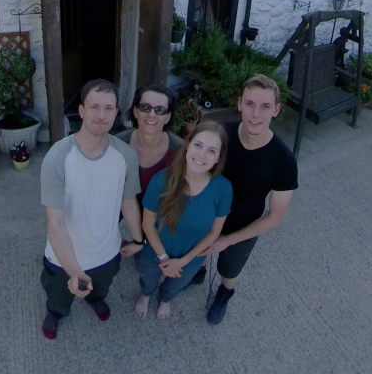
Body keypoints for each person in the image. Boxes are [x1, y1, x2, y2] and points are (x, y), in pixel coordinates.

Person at [39, 79, 145, 339]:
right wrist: (74, 271)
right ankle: (56, 313)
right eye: (95, 107)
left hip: (107, 252)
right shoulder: (58, 157)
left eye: (109, 108)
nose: (102, 114)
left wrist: (139, 240)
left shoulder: (126, 155)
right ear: (82, 111)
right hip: (63, 259)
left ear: (116, 113)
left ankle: (95, 299)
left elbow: (128, 201)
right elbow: (55, 223)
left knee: (100, 289)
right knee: (59, 296)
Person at [204, 74, 297, 325]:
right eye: (250, 104)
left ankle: (225, 293)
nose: (256, 114)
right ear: (239, 104)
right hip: (207, 215)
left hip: (242, 228)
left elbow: (275, 216)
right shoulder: (222, 134)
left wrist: (227, 240)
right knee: (198, 253)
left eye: (265, 106)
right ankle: (196, 272)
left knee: (229, 270)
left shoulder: (284, 161)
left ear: (276, 110)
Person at [134, 121, 232, 320]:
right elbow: (147, 224)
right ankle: (145, 295)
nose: (202, 155)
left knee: (176, 284)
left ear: (218, 159)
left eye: (211, 151)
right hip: (156, 250)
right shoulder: (162, 180)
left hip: (191, 256)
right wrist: (164, 259)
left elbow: (214, 232)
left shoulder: (223, 189)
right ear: (187, 145)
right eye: (198, 145)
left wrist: (183, 262)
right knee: (148, 278)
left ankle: (166, 299)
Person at [115, 84, 183, 205]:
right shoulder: (117, 145)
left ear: (168, 117)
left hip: (163, 219)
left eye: (160, 110)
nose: (152, 114)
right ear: (135, 111)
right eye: (145, 107)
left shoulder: (180, 150)